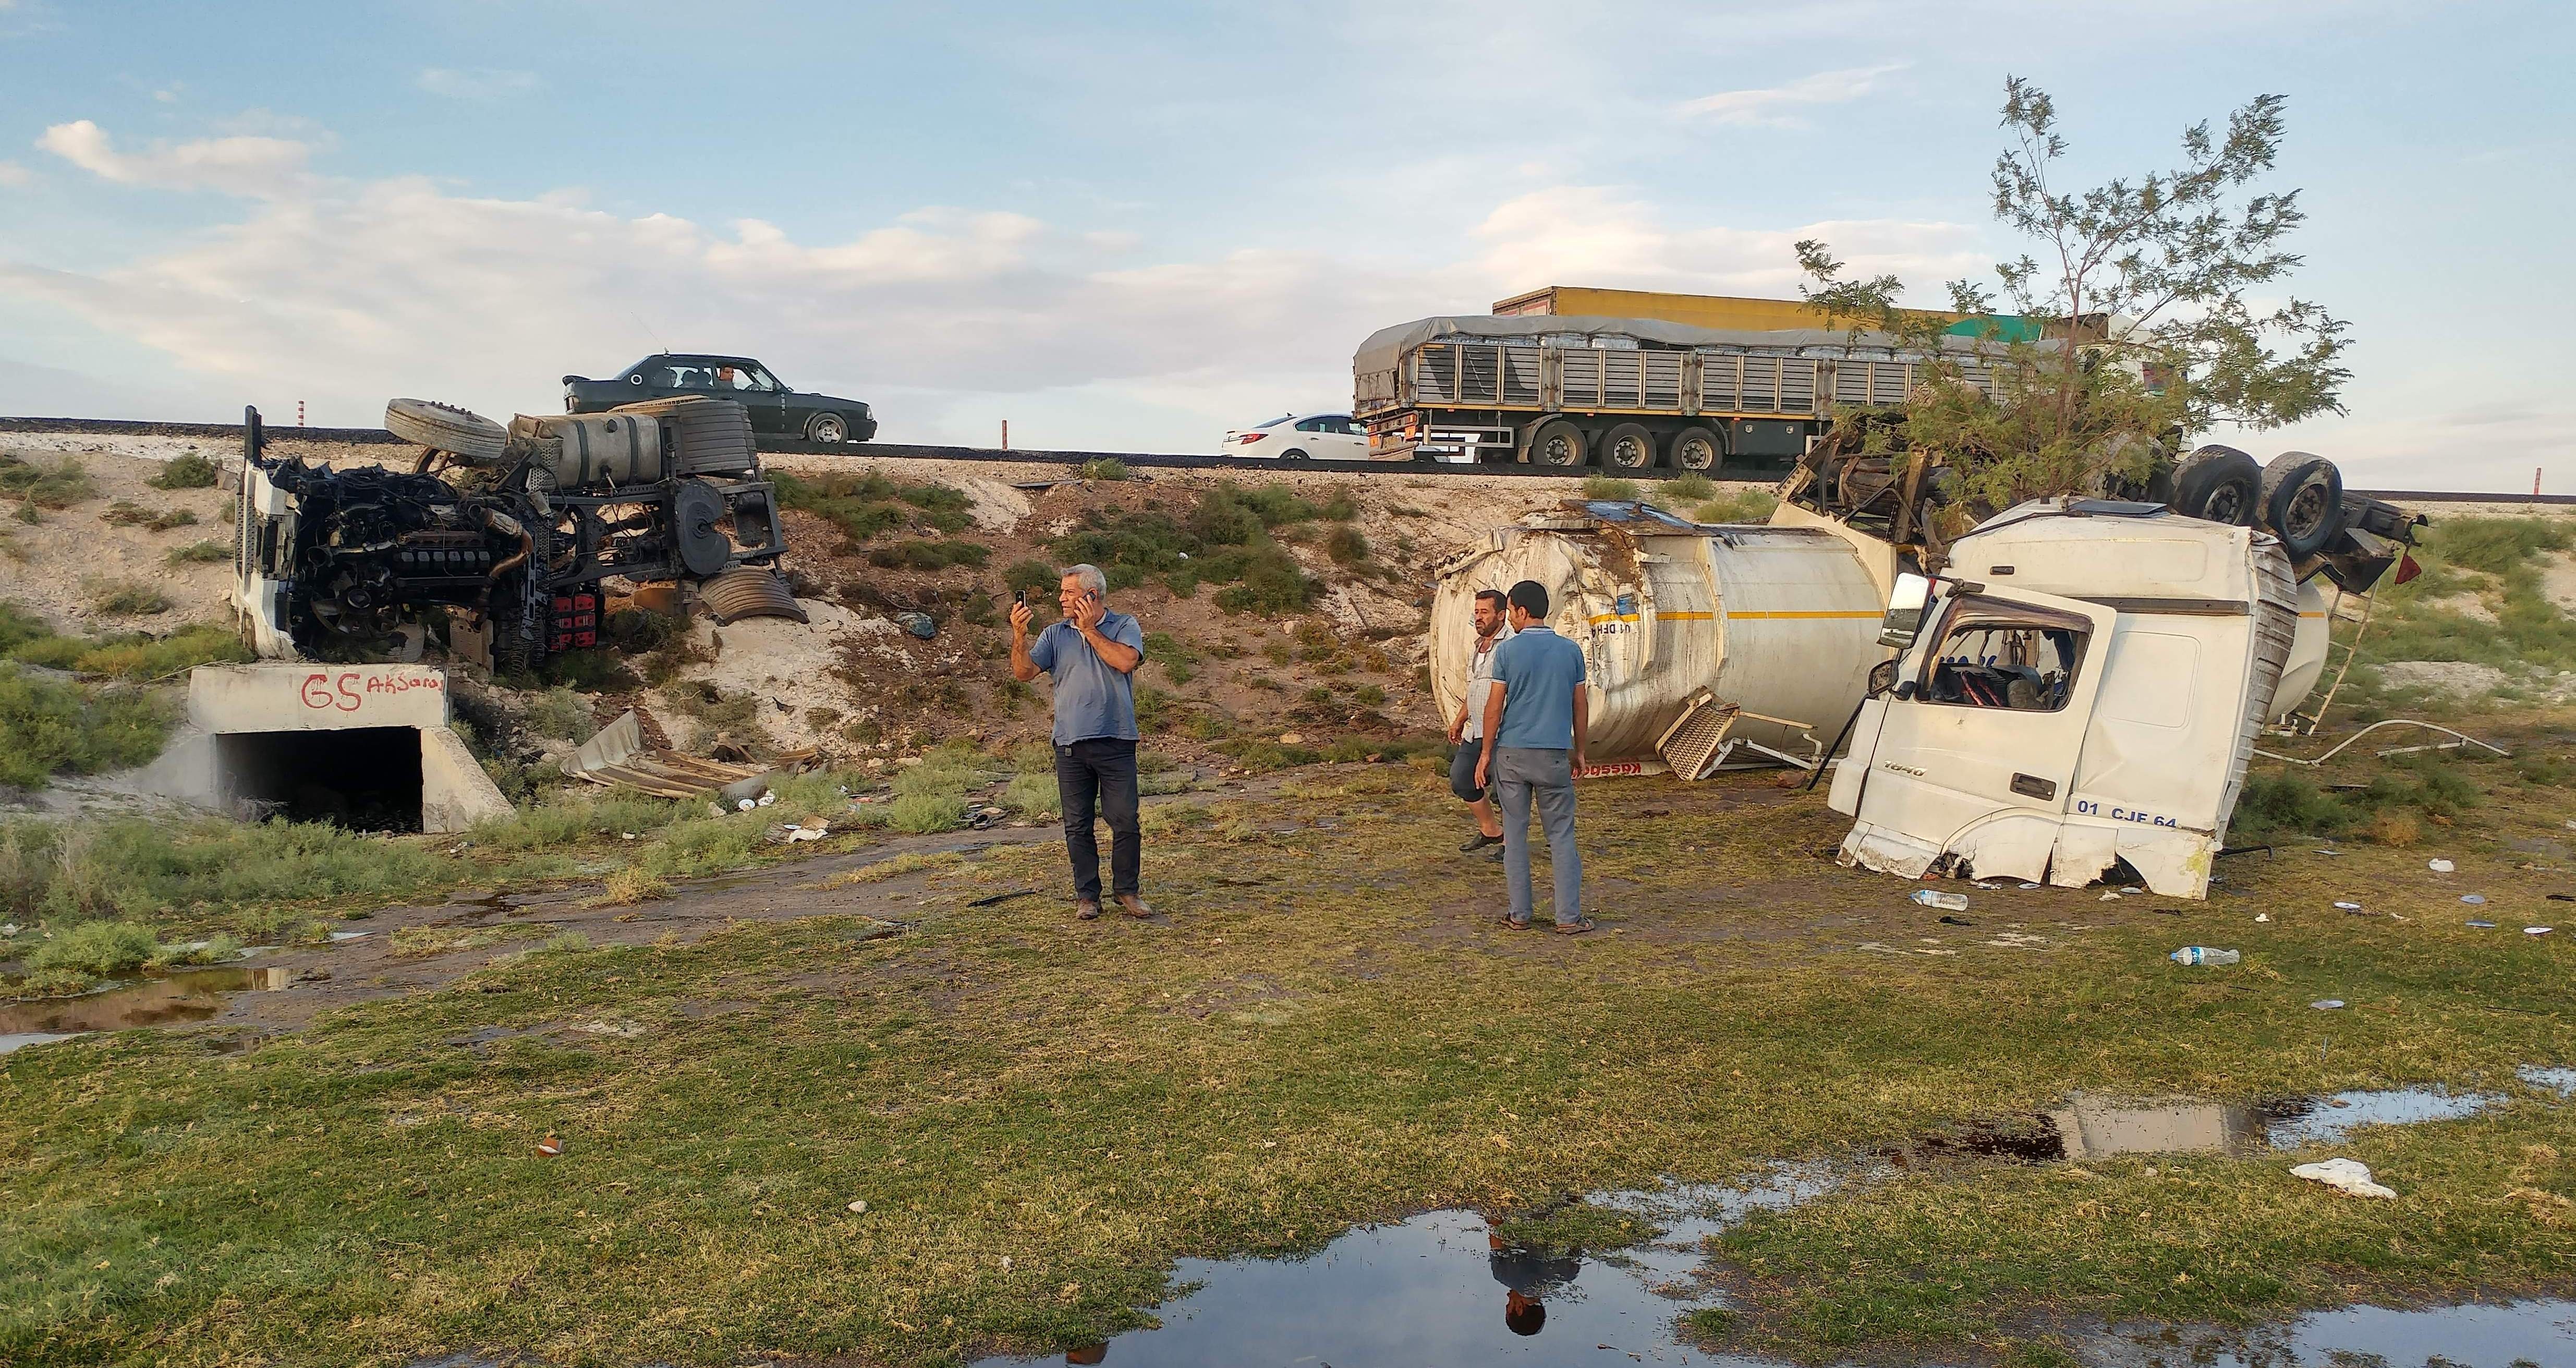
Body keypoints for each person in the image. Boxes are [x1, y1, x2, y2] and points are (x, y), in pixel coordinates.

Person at [1011, 564, 1152, 922]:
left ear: (1092, 595)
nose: (1061, 598)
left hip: (1117, 739)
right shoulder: (1055, 634)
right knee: (1077, 825)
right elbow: (1024, 673)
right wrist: (1019, 635)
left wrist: (1089, 630)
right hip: (1070, 744)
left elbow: (1125, 662)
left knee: (1124, 821)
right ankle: (1088, 896)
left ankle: (1127, 891)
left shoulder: (1124, 625)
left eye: (1068, 592)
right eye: (1061, 592)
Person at [1475, 579, 1593, 934]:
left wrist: (1485, 753)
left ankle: (1519, 914)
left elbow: (1495, 707)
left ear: (1522, 611)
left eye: (1510, 610)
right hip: (1553, 755)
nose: (1509, 617)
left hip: (1512, 755)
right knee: (1561, 836)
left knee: (1515, 833)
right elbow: (1580, 706)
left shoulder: (1506, 653)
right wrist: (1581, 750)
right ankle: (1569, 917)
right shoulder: (1570, 651)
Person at [1446, 588, 1513, 855]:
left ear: (1501, 614)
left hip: (1502, 731)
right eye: (1476, 612)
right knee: (1462, 780)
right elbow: (1474, 689)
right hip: (1475, 730)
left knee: (1506, 788)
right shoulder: (1478, 646)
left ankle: (1512, 845)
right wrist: (1459, 720)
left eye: (1484, 612)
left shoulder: (1511, 645)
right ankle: (1491, 831)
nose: (1479, 618)